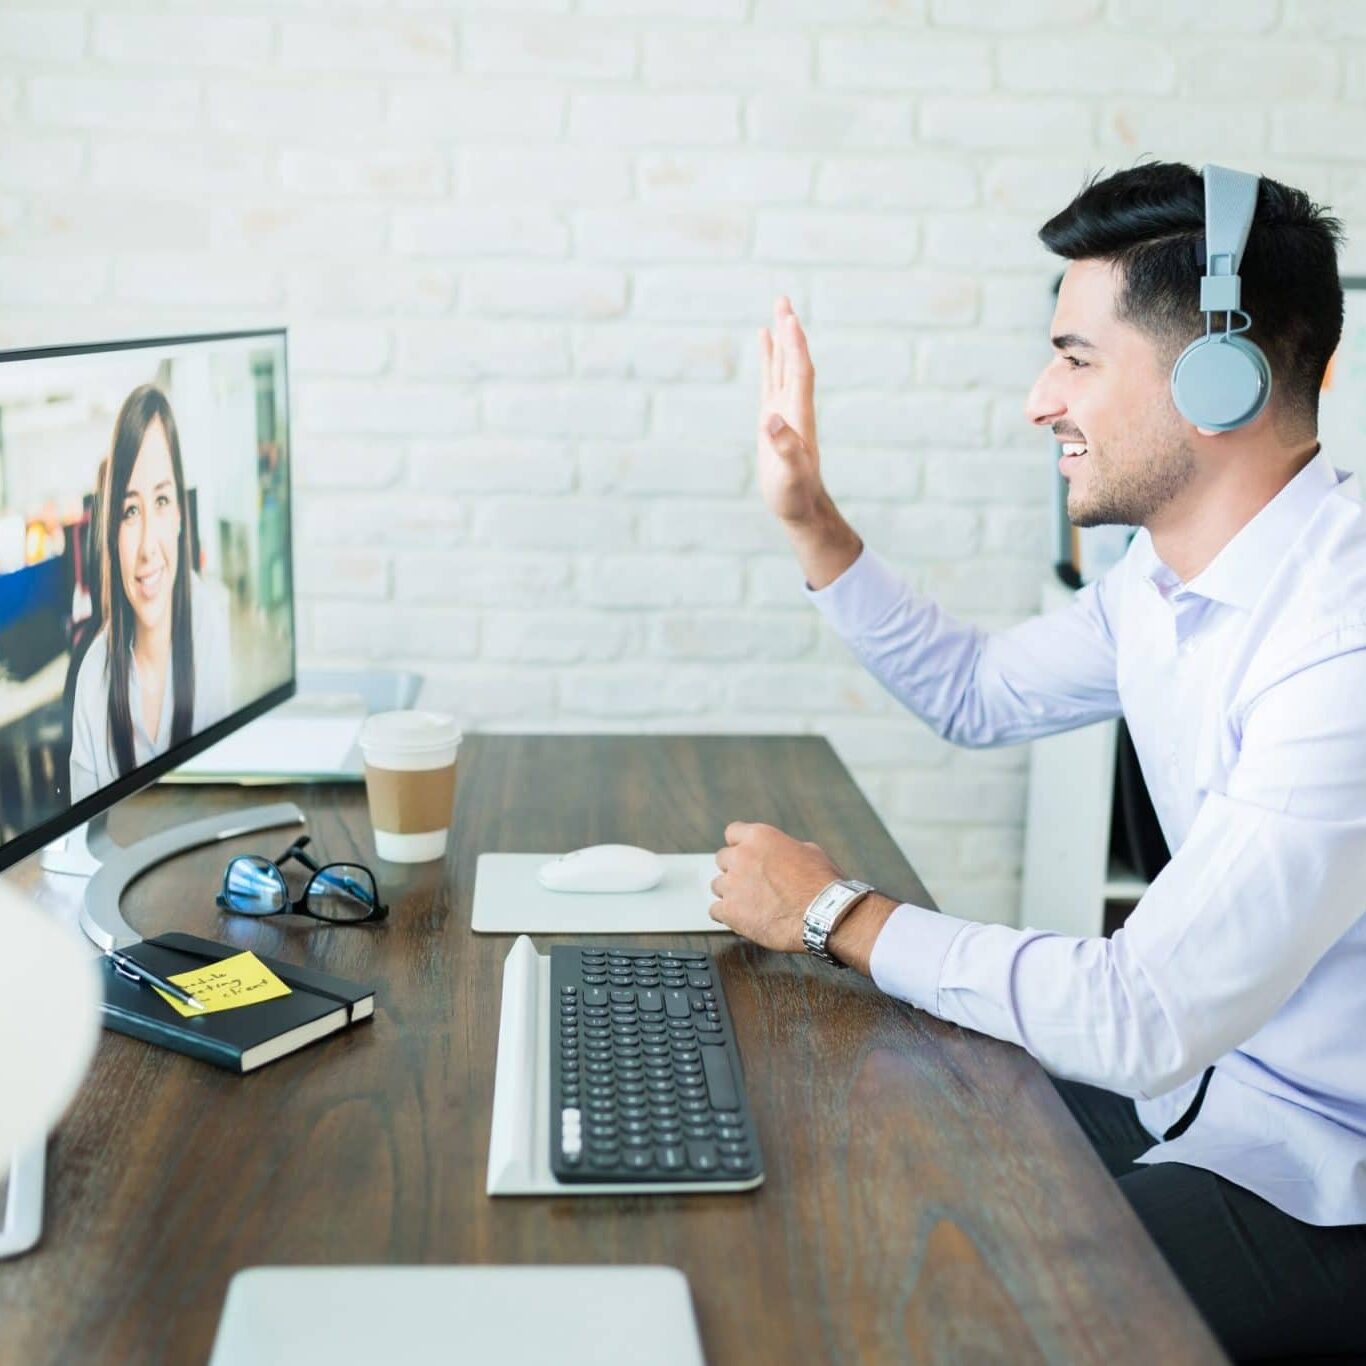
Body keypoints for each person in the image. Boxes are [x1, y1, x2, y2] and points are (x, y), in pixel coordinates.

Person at [708, 161, 1366, 1361]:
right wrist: (813, 518)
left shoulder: (1343, 648)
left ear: (1220, 376)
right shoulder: (1162, 585)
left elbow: (1144, 1012)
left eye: (1074, 357)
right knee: (862, 1141)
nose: (1035, 401)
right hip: (1203, 1091)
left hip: (1330, 1171)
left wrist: (835, 913)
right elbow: (974, 693)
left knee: (953, 1302)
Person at [69, 384, 230, 803]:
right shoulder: (93, 682)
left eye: (161, 500)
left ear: (179, 513)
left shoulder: (208, 621)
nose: (147, 547)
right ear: (111, 533)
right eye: (130, 511)